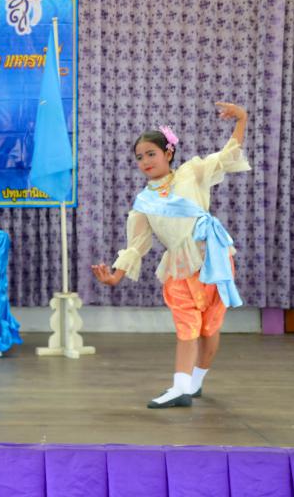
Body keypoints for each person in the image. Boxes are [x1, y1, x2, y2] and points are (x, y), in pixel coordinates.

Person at [91, 102, 250, 408]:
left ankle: (193, 383)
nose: (145, 161)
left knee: (209, 327)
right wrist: (115, 276)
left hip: (212, 258)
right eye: (139, 157)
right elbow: (136, 244)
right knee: (186, 325)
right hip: (179, 265)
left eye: (151, 153)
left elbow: (228, 155)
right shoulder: (143, 202)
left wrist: (241, 118)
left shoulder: (191, 172)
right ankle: (180, 388)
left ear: (168, 153)